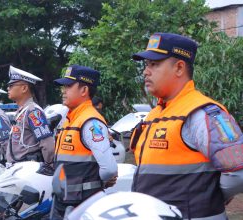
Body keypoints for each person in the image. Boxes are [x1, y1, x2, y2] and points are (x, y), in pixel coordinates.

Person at [130, 32, 243, 219]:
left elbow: (238, 173)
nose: (145, 71)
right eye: (146, 65)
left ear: (179, 68)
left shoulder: (201, 113)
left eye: (154, 64)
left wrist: (210, 195)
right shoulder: (155, 114)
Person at [52, 65, 118, 219]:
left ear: (84, 90)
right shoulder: (71, 118)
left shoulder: (90, 122)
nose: (63, 91)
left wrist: (97, 183)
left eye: (68, 86)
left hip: (81, 204)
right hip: (65, 201)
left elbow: (109, 169)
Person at [6, 65, 54, 167]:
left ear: (24, 88)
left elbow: (47, 145)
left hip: (28, 170)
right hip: (17, 169)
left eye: (11, 86)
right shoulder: (22, 111)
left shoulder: (33, 111)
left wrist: (49, 167)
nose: (8, 88)